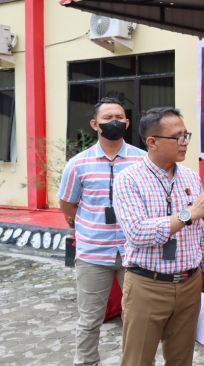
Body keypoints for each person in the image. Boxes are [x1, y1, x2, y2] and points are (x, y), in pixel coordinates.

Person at [113, 107, 204, 366]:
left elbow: (202, 232)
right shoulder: (128, 180)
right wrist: (188, 214)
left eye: (186, 135)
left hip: (189, 284)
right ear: (152, 142)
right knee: (137, 360)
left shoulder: (191, 178)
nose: (184, 143)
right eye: (177, 137)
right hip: (147, 286)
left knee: (181, 359)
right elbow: (137, 232)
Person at [58, 97, 145, 366]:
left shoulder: (142, 161)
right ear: (95, 124)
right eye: (107, 118)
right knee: (89, 320)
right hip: (93, 255)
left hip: (134, 254)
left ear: (127, 122)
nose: (114, 122)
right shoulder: (78, 164)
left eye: (119, 116)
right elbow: (67, 204)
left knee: (138, 321)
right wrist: (86, 226)